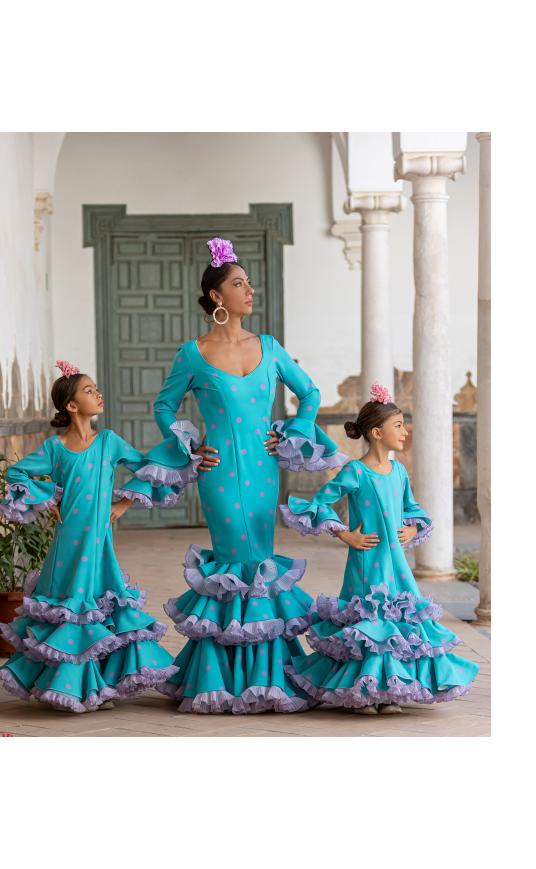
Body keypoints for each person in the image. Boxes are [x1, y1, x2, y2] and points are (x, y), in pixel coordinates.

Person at [151, 238, 349, 713]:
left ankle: (268, 676)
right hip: (218, 478)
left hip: (263, 471)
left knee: (261, 560)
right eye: (239, 283)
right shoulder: (192, 353)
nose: (250, 290)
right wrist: (191, 447)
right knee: (233, 563)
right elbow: (163, 405)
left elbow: (311, 393)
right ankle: (223, 678)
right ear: (217, 296)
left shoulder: (270, 347)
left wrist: (295, 431)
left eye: (249, 283)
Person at [0, 359, 189, 713]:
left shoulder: (109, 442)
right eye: (88, 390)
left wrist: (124, 502)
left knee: (98, 609)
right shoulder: (55, 449)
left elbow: (146, 466)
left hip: (99, 546)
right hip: (67, 546)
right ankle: (69, 687)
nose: (98, 394)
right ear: (71, 406)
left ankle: (96, 686)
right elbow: (17, 472)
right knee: (71, 611)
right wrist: (49, 495)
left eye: (96, 388)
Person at [279, 382, 479, 713]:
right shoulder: (356, 472)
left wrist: (412, 526)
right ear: (375, 431)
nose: (404, 432)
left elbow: (412, 506)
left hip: (396, 563)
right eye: (397, 425)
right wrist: (346, 535)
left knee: (397, 622)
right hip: (366, 562)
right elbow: (321, 502)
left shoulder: (399, 471)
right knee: (370, 623)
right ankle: (363, 690)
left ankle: (390, 691)